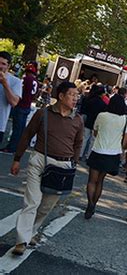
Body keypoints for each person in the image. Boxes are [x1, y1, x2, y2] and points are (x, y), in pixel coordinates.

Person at [10, 82, 83, 255]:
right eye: (72, 95)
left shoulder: (78, 119)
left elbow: (79, 143)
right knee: (32, 201)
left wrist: (74, 162)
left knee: (47, 206)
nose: (75, 98)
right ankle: (22, 240)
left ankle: (32, 231)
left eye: (76, 95)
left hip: (63, 167)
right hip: (40, 161)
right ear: (61, 96)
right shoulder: (43, 113)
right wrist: (17, 159)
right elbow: (27, 135)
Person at [85, 95, 127, 219]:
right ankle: (94, 203)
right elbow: (126, 139)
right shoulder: (125, 119)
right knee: (100, 181)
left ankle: (90, 203)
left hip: (98, 149)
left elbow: (95, 132)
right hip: (113, 153)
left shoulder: (102, 115)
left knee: (91, 180)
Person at [2, 61, 38, 153]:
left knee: (16, 129)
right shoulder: (35, 81)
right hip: (28, 106)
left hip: (21, 105)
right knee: (21, 129)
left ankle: (12, 147)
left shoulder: (26, 79)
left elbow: (19, 90)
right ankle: (18, 146)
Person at [79, 85, 107, 160]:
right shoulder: (103, 104)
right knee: (93, 140)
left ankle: (80, 154)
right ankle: (88, 156)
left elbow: (85, 110)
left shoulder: (90, 100)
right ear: (101, 94)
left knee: (84, 138)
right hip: (97, 123)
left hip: (88, 121)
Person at [0, 51, 22, 145]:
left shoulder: (15, 81)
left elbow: (14, 102)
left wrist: (5, 84)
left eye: (3, 64)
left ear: (8, 66)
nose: (0, 66)